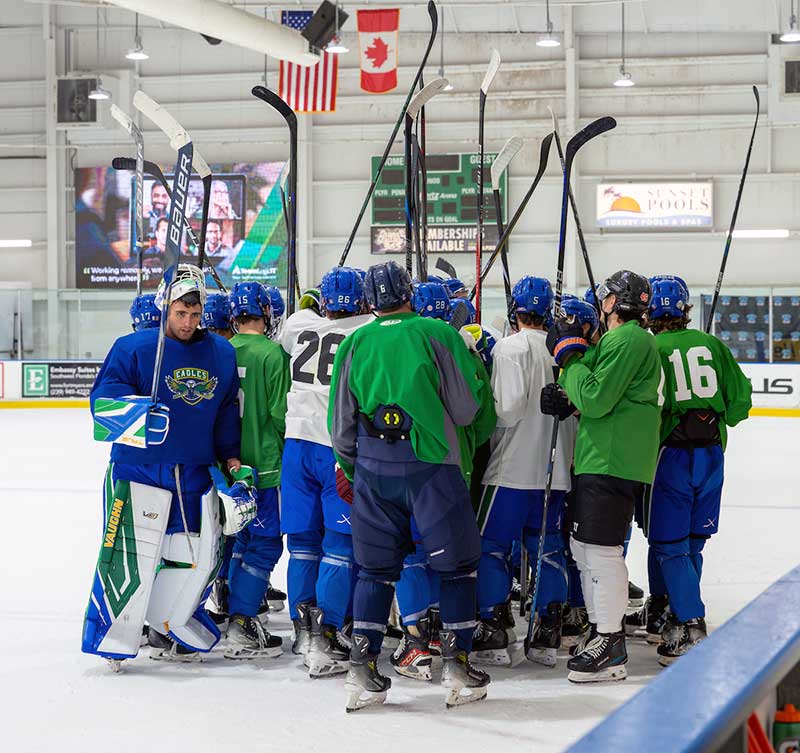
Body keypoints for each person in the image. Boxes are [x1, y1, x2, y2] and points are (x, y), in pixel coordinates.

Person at [329, 260, 494, 712]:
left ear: (369, 300)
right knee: (457, 566)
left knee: (374, 569)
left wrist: (357, 466)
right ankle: (457, 663)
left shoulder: (355, 342)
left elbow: (340, 426)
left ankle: (362, 666)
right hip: (432, 465)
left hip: (373, 469)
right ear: (409, 292)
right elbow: (465, 410)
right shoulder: (439, 335)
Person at [83, 264, 241, 664]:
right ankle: (115, 633)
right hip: (138, 469)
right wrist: (135, 414)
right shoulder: (133, 348)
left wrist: (233, 460)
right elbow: (101, 405)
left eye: (194, 313)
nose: (187, 322)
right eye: (179, 313)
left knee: (190, 554)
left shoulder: (221, 353)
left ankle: (171, 622)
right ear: (164, 306)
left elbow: (225, 413)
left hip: (191, 471)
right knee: (132, 555)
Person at [543, 270, 661, 683]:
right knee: (582, 546)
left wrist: (569, 357)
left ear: (613, 303)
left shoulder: (628, 338)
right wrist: (568, 390)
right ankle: (601, 631)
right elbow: (590, 390)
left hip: (612, 458)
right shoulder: (619, 340)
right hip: (603, 456)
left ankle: (611, 642)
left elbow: (594, 395)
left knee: (601, 550)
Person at [638, 276, 751, 666]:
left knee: (667, 544)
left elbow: (645, 405)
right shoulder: (713, 345)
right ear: (684, 309)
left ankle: (689, 623)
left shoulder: (651, 346)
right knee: (692, 542)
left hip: (669, 455)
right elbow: (740, 403)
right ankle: (669, 609)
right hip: (712, 454)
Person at [473, 277, 576, 668]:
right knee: (548, 548)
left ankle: (495, 624)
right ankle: (548, 628)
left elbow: (509, 408)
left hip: (510, 471)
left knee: (491, 549)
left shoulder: (509, 348)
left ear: (516, 310)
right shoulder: (565, 349)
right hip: (553, 472)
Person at [279, 267, 372, 678]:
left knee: (302, 543)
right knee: (339, 543)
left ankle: (302, 628)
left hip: (295, 445)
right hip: (336, 446)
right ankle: (327, 631)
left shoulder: (299, 325)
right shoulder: (367, 329)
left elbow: (301, 314)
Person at [224, 281, 291, 658]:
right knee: (265, 544)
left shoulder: (220, 350)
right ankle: (242, 621)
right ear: (266, 312)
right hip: (265, 466)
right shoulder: (272, 354)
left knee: (241, 541)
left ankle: (235, 612)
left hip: (230, 466)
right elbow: (281, 414)